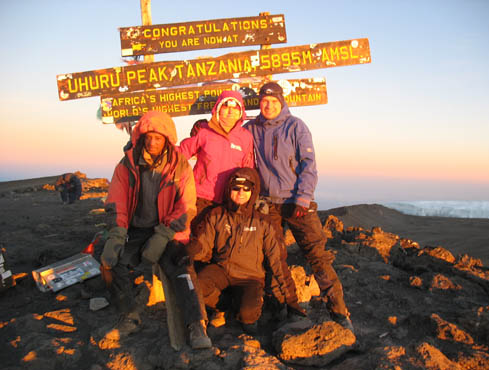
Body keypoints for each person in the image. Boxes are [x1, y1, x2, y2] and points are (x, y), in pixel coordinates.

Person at [244, 82, 354, 331]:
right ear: (259, 103)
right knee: (274, 258)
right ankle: (290, 310)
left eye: (273, 100)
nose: (269, 105)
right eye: (264, 101)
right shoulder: (251, 129)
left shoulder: (296, 126)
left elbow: (308, 164)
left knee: (317, 255)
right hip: (268, 203)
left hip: (297, 201)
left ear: (281, 101)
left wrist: (303, 198)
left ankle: (339, 312)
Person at [100, 110, 212, 349]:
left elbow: (186, 206)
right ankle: (129, 315)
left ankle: (196, 326)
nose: (152, 142)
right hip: (136, 229)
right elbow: (116, 202)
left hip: (168, 230)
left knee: (183, 267)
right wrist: (117, 235)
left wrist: (162, 236)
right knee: (112, 262)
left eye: (158, 138)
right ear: (140, 137)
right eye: (148, 137)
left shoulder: (180, 166)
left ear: (167, 140)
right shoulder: (127, 165)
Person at [185, 167, 304, 333]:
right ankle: (223, 308)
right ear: (229, 189)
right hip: (222, 270)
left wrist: (292, 302)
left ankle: (248, 310)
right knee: (196, 286)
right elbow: (203, 247)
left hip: (250, 277)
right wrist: (188, 251)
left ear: (253, 191)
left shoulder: (265, 223)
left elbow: (277, 262)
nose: (241, 192)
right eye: (236, 188)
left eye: (247, 188)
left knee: (248, 316)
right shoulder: (216, 215)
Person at [178, 90, 254, 234]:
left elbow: (249, 169)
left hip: (229, 199)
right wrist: (156, 150)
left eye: (235, 107)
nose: (230, 111)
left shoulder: (245, 137)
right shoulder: (204, 131)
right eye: (226, 106)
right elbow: (181, 152)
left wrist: (245, 198)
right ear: (218, 109)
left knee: (222, 239)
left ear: (241, 111)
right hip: (201, 197)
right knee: (199, 237)